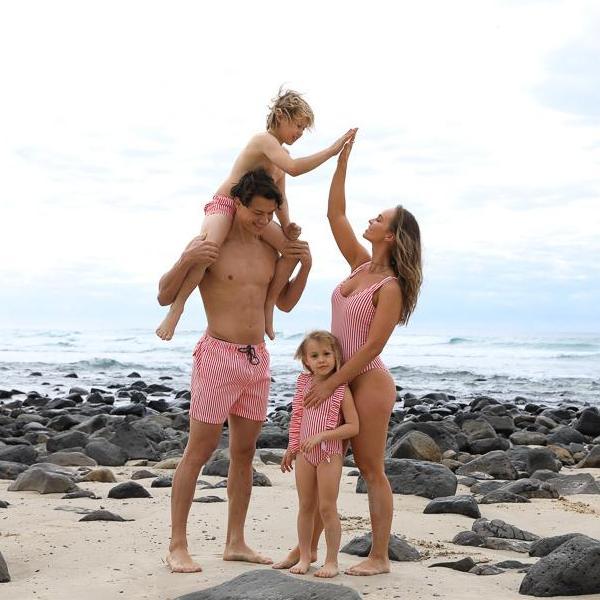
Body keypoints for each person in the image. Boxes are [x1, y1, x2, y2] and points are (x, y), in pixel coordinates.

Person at [274, 138, 423, 576]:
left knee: (371, 468)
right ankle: (306, 551)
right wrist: (342, 162)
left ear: (391, 235)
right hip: (335, 378)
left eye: (381, 218)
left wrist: (332, 382)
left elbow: (374, 346)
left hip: (367, 382)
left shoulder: (390, 286)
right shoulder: (360, 265)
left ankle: (379, 557)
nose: (371, 219)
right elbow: (334, 215)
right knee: (321, 464)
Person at [157, 168, 313, 573]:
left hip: (256, 358)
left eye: (269, 216)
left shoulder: (269, 251)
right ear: (238, 204)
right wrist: (184, 258)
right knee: (199, 451)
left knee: (244, 454)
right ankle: (177, 544)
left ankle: (236, 541)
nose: (262, 222)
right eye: (256, 213)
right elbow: (163, 295)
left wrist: (305, 266)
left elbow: (286, 304)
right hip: (217, 357)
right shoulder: (214, 244)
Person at [156, 87, 356, 341]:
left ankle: (268, 306)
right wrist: (332, 151)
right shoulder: (263, 141)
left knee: (292, 249)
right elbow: (294, 169)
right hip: (225, 204)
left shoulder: (280, 158)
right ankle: (178, 307)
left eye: (304, 129)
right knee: (208, 251)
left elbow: (280, 199)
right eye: (298, 125)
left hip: (255, 211)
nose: (299, 133)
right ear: (281, 116)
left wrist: (287, 225)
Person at [280, 331, 359, 578]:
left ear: (336, 356)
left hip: (329, 455)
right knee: (305, 506)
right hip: (305, 455)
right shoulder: (303, 383)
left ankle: (332, 561)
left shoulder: (340, 389)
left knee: (326, 507)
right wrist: (292, 447)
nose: (322, 360)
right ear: (306, 361)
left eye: (327, 354)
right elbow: (297, 418)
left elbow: (353, 427)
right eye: (315, 355)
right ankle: (305, 556)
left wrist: (324, 435)